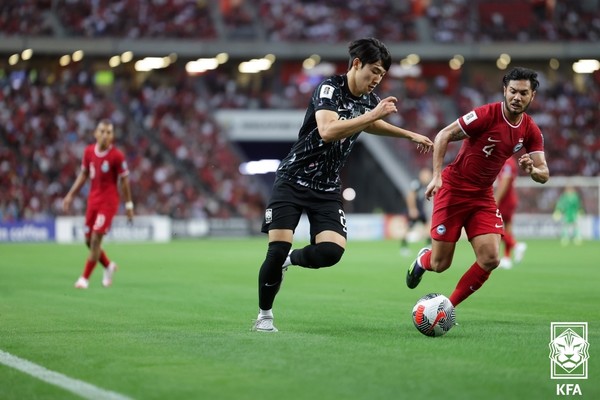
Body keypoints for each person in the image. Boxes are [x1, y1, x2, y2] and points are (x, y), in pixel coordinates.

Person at [253, 37, 434, 332]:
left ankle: (291, 259)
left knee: (331, 252)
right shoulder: (329, 88)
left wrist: (409, 135)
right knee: (275, 248)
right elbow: (327, 130)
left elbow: (371, 123)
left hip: (325, 188)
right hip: (292, 179)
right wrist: (372, 113)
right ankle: (264, 315)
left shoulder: (367, 101)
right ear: (357, 64)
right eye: (373, 71)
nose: (377, 79)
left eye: (382, 75)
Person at [406, 66, 549, 308]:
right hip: (453, 188)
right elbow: (443, 135)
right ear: (504, 90)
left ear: (532, 96)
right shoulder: (485, 115)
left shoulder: (530, 129)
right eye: (513, 91)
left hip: (482, 196)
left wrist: (533, 171)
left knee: (491, 258)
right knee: (440, 264)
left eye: (524, 93)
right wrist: (437, 176)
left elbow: (544, 173)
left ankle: (446, 308)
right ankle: (422, 261)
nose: (517, 97)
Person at [63, 119, 134, 289]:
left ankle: (84, 278)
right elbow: (83, 175)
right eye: (102, 131)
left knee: (95, 240)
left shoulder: (117, 156)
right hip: (92, 201)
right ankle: (108, 266)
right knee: (88, 241)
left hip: (108, 203)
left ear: (113, 136)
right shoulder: (88, 152)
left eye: (109, 132)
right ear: (95, 133)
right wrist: (70, 195)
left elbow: (124, 181)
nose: (105, 135)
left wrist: (129, 205)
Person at [494, 156, 527, 269]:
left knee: (494, 227)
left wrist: (496, 200)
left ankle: (516, 245)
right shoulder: (509, 161)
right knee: (507, 227)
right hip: (510, 197)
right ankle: (507, 258)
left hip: (505, 199)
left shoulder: (507, 162)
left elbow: (505, 181)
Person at [399, 167, 433, 256]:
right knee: (408, 228)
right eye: (426, 175)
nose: (427, 177)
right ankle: (403, 247)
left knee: (428, 227)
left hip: (421, 211)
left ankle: (429, 246)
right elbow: (410, 196)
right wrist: (412, 209)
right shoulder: (416, 184)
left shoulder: (426, 185)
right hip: (415, 211)